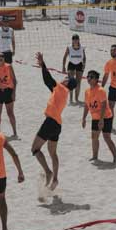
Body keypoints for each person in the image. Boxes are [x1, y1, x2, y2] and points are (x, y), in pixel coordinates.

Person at [30, 51, 75, 190]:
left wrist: (43, 64)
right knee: (53, 153)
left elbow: (48, 80)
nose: (63, 78)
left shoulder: (60, 88)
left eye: (65, 78)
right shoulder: (64, 93)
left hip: (50, 123)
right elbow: (49, 83)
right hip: (57, 125)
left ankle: (48, 172)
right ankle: (55, 179)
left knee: (35, 149)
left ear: (67, 82)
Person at [81, 70, 116, 163]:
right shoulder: (87, 91)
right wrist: (84, 118)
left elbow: (104, 105)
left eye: (91, 77)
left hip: (106, 117)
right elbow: (86, 105)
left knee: (107, 137)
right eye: (88, 77)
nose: (89, 79)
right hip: (95, 117)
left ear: (96, 79)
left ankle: (115, 157)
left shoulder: (100, 90)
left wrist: (101, 120)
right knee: (94, 137)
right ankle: (95, 156)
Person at [0, 52, 18, 136]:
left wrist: (13, 93)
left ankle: (15, 132)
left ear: (4, 58)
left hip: (8, 91)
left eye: (2, 56)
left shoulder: (9, 66)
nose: (0, 58)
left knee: (10, 113)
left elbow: (14, 80)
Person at [61, 34, 86, 103]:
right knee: (71, 81)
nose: (75, 41)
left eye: (76, 39)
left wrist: (84, 64)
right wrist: (63, 66)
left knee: (78, 82)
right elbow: (65, 57)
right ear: (72, 40)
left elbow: (84, 57)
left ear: (78, 40)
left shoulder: (82, 47)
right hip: (71, 64)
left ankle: (76, 98)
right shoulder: (69, 47)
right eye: (74, 39)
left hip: (79, 64)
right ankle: (71, 99)